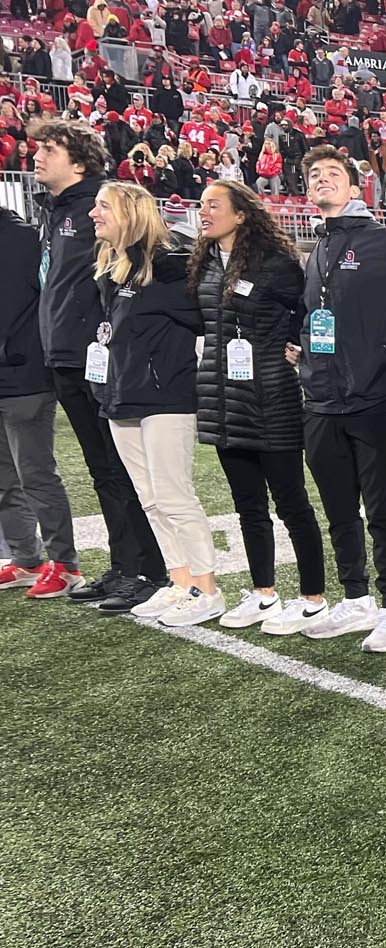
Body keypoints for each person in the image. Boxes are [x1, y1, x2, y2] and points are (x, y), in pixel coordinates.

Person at [33, 120, 166, 613]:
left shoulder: (101, 209)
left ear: (80, 161)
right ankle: (125, 565)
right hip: (67, 357)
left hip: (100, 360)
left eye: (51, 148)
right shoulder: (62, 211)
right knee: (104, 472)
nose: (39, 155)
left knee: (124, 469)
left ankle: (151, 570)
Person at [292, 144, 386, 652]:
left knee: (381, 509)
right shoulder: (319, 244)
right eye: (314, 175)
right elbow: (312, 312)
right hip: (320, 396)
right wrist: (298, 348)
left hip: (373, 397)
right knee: (339, 508)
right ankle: (356, 598)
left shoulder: (385, 245)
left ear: (353, 186)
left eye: (332, 173)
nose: (322, 180)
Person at [188, 179, 327, 634]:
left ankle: (313, 597)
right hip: (223, 398)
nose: (204, 212)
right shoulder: (205, 262)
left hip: (271, 396)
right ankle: (264, 593)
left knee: (291, 503)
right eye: (202, 205)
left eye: (214, 205)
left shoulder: (275, 262)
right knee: (248, 505)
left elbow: (308, 309)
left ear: (242, 214)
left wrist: (296, 344)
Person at [89, 182, 222, 627]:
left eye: (102, 206)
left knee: (174, 495)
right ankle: (180, 581)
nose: (94, 214)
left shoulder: (170, 265)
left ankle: (207, 588)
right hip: (121, 397)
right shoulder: (115, 270)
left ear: (130, 211)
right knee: (149, 499)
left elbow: (207, 316)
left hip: (166, 398)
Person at [0, 200, 82, 600]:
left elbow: (49, 303)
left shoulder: (25, 240)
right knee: (2, 480)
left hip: (25, 376)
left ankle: (65, 564)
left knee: (35, 474)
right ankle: (26, 560)